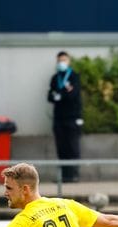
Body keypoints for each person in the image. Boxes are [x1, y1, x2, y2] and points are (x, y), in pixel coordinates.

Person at [47, 51, 83, 182]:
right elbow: (50, 96)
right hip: (59, 118)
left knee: (73, 147)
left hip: (72, 118)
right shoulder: (54, 78)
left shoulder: (74, 76)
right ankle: (64, 176)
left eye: (64, 60)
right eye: (59, 61)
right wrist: (61, 94)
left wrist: (60, 95)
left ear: (69, 62)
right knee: (61, 148)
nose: (61, 63)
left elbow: (72, 95)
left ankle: (74, 175)